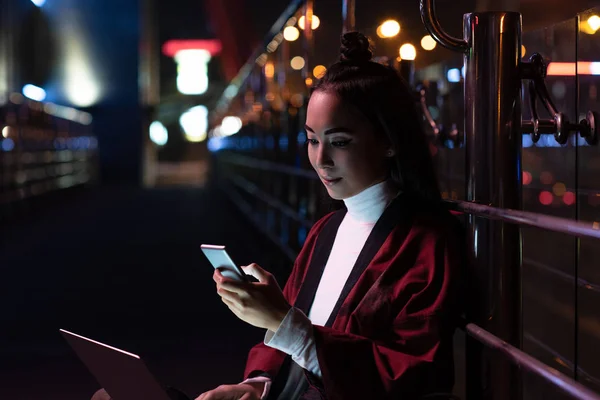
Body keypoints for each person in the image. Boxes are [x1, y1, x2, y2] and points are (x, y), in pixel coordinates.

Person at [196, 31, 465, 400]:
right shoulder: (327, 229)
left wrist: (281, 320)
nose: (320, 160)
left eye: (339, 142)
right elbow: (295, 348)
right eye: (311, 140)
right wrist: (253, 386)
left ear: (389, 142)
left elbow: (409, 378)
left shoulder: (427, 242)